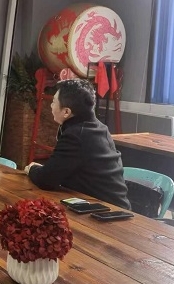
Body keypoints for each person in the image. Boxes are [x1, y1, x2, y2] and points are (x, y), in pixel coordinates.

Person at [24, 79, 130, 209]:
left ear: (66, 112)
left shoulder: (76, 135)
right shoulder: (99, 128)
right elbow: (58, 171)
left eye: (54, 102)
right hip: (115, 207)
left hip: (106, 212)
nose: (51, 106)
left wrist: (32, 169)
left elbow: (46, 180)